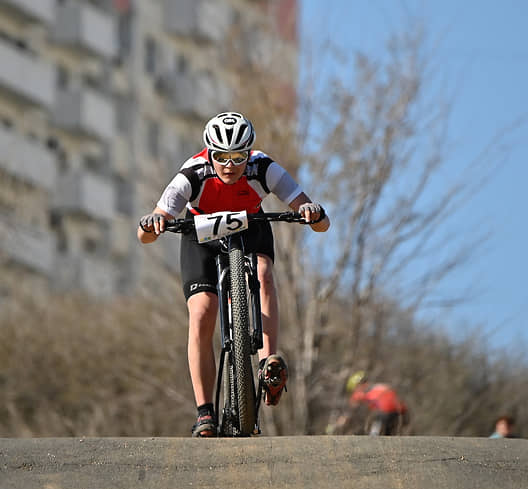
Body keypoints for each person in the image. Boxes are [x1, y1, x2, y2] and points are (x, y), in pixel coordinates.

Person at [137, 111, 330, 437]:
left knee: (264, 272)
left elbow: (319, 220)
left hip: (250, 228)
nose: (230, 165)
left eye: (238, 157)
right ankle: (204, 412)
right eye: (221, 157)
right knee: (201, 311)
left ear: (249, 153)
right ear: (209, 154)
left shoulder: (263, 168)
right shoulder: (192, 174)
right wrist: (154, 223)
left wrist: (310, 211)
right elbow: (147, 233)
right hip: (200, 235)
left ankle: (268, 361)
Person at [345, 371, 409, 436]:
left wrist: (345, 417)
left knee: (375, 426)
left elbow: (353, 403)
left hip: (384, 413)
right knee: (390, 433)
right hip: (401, 412)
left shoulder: (363, 390)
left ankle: (373, 438)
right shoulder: (379, 386)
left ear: (357, 386)